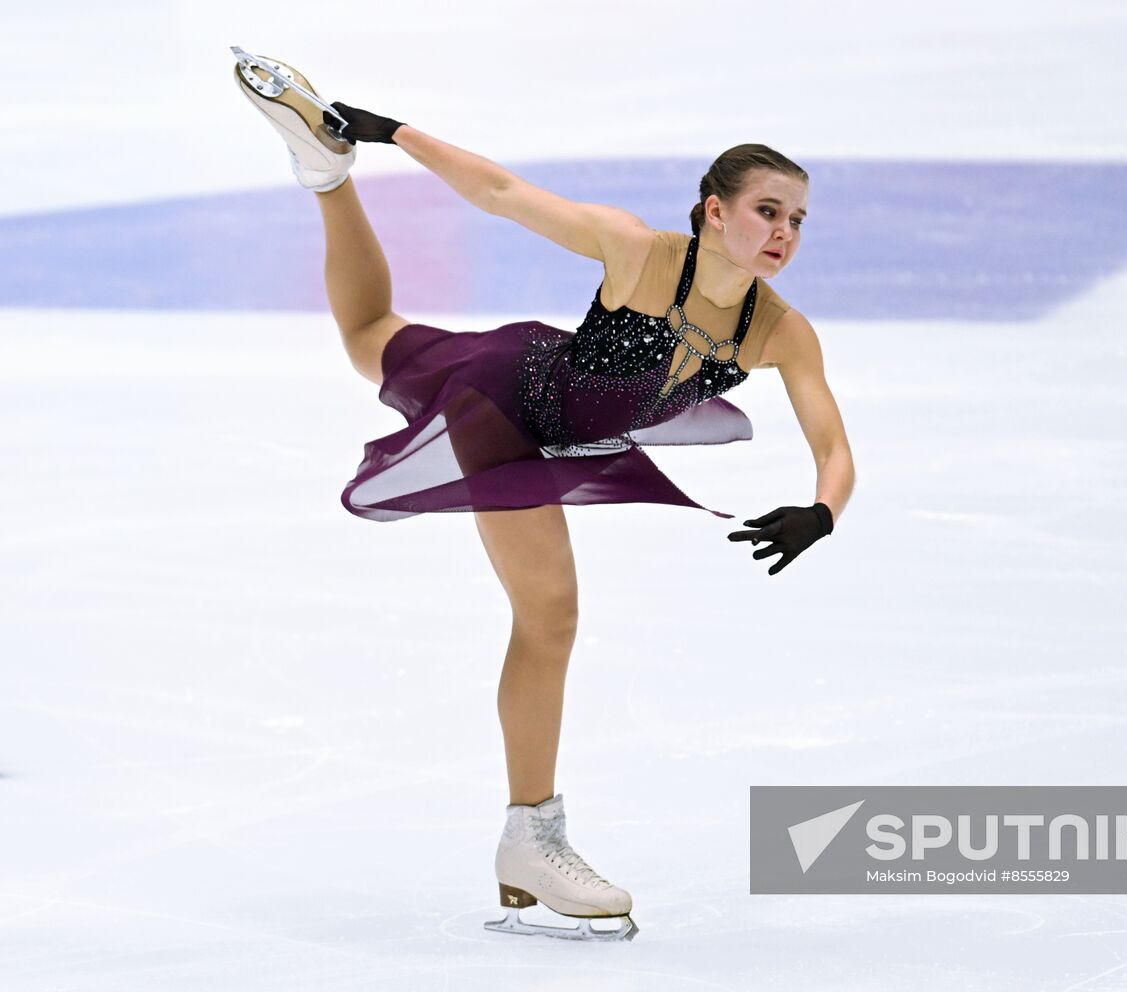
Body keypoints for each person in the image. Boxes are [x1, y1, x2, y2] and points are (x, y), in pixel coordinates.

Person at [232, 48, 856, 942]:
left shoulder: (780, 333)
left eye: (796, 219)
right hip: (506, 403)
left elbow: (834, 444)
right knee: (552, 614)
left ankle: (326, 180)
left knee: (370, 332)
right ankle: (532, 835)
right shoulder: (639, 252)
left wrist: (821, 510)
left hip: (564, 424)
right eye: (767, 211)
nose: (784, 231)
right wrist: (398, 131)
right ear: (716, 213)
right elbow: (503, 196)